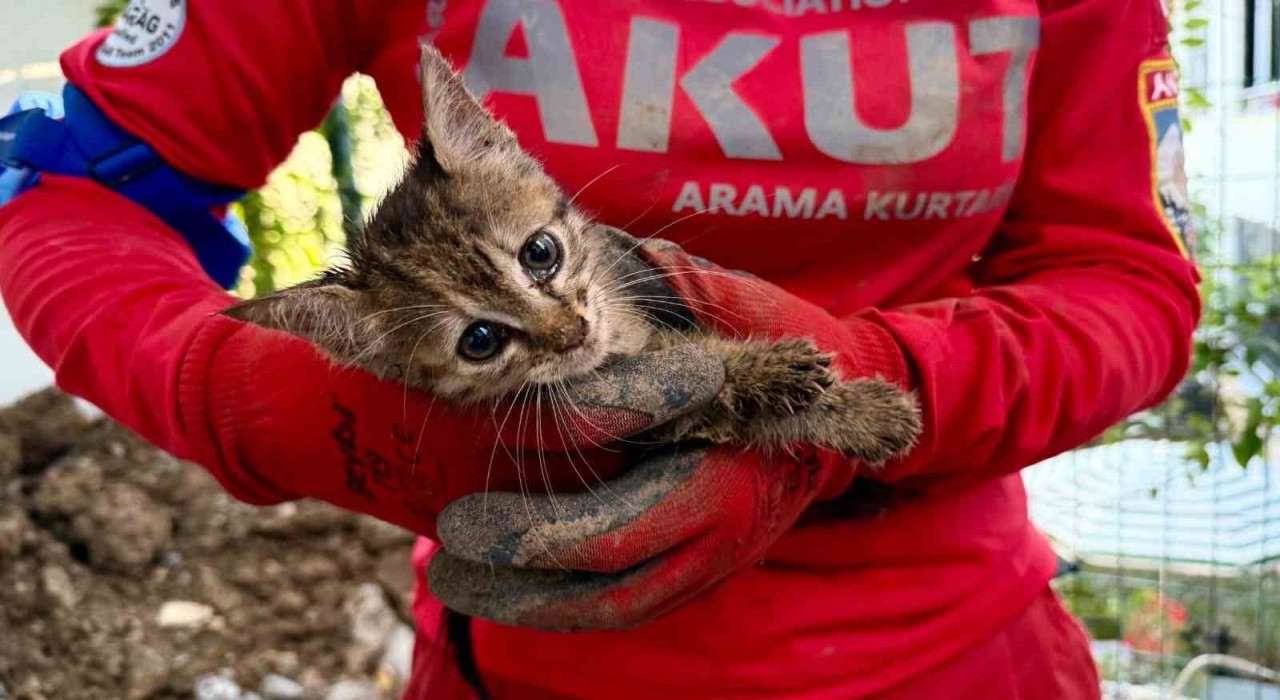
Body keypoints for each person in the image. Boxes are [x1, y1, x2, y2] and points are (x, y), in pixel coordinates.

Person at [0, 1, 1200, 698]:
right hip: (532, 646)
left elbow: (1126, 283)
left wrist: (869, 389)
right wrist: (297, 410)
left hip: (948, 645)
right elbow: (70, 188)